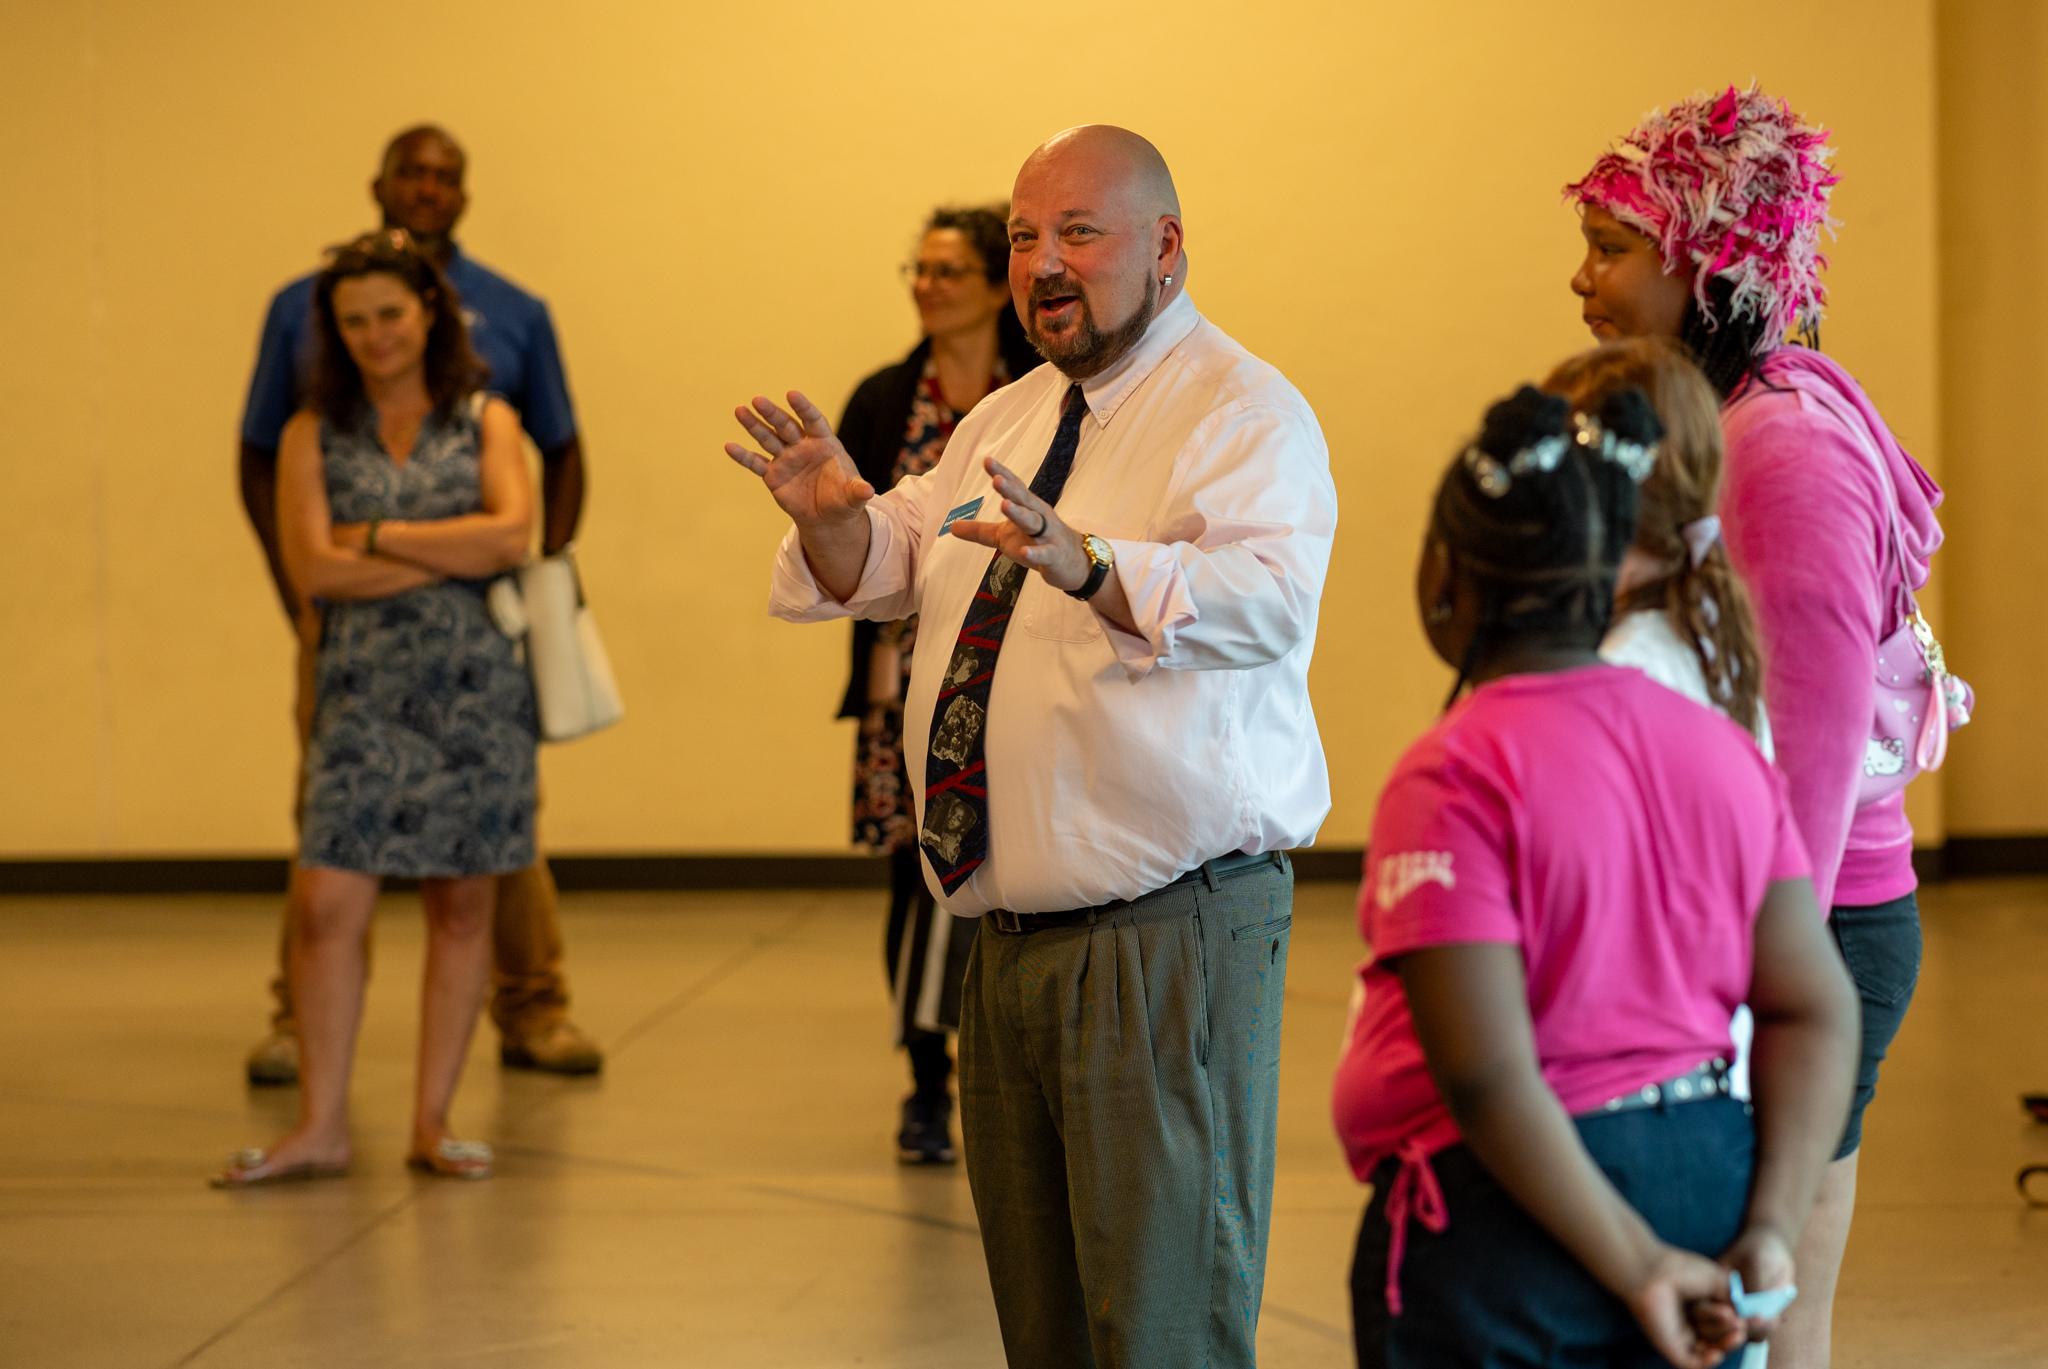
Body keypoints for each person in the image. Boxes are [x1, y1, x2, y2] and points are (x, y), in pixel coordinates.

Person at [726, 125, 1336, 1367]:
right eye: (1021, 237)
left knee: (1159, 1325)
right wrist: (834, 523)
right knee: (1045, 1330)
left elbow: (1268, 599)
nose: (1042, 263)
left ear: (1164, 247)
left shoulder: (1241, 409)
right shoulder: (1008, 413)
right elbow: (893, 558)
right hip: (1004, 942)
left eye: (1077, 233)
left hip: (1162, 938)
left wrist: (1091, 563)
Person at [1333, 384, 1860, 1368]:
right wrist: (1771, 1224)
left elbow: (1486, 1073)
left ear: (1444, 576)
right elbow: (1815, 1003)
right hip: (1704, 1173)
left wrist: (1635, 1264)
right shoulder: (1714, 747)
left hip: (1515, 1218)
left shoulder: (1456, 767)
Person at [1566, 84, 1962, 1365]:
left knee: (1759, 1301)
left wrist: (1734, 976)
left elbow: (1808, 745)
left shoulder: (1778, 450)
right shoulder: (1743, 416)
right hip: (1793, 919)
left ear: (1708, 268)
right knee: (1773, 1298)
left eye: (1613, 249)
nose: (1582, 279)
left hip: (1805, 925)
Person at [238, 124, 602, 1084]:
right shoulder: (302, 310)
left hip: (482, 641)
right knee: (328, 834)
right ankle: (294, 1021)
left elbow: (556, 457)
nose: (429, 189)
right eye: (413, 173)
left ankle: (533, 1007)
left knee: (494, 843)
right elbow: (263, 456)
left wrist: (540, 576)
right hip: (346, 636)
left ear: (465, 196)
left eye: (446, 177)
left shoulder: (514, 313)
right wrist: (302, 590)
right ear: (379, 184)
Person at [215, 230, 536, 1186]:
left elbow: (512, 536)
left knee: (462, 902)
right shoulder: (313, 432)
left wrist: (381, 535)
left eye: (389, 313)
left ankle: (432, 1122)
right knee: (324, 905)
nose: (374, 336)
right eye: (352, 322)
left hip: (476, 697)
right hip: (356, 697)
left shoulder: (489, 419)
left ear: (430, 311)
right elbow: (313, 565)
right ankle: (320, 1124)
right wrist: (447, 543)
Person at [835, 204, 1042, 1165]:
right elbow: (856, 540)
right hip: (907, 681)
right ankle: (926, 1080)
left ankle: (1012, 1068)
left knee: (1015, 862)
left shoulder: (1038, 390)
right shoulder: (883, 399)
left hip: (1017, 672)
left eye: (950, 269)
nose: (929, 285)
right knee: (915, 875)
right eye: (917, 268)